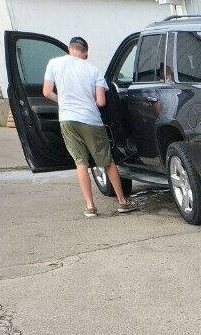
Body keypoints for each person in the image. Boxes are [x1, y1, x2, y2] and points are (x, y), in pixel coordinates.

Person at [42, 36, 137, 218]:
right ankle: (122, 202)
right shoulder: (93, 70)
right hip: (90, 119)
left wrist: (63, 102)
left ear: (70, 48)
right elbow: (101, 101)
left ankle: (90, 207)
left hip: (67, 119)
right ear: (85, 53)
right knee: (107, 161)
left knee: (81, 162)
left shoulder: (54, 63)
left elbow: (46, 92)